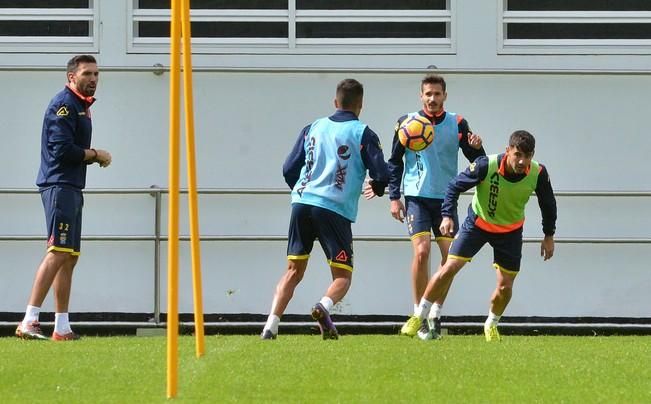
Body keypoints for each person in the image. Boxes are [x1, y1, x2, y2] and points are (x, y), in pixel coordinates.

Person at [261, 78, 389, 340]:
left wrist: (303, 192)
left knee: (293, 271)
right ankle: (323, 306)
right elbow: (381, 173)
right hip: (334, 209)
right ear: (360, 105)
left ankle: (270, 326)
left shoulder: (313, 127)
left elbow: (288, 169)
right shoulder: (362, 133)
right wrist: (377, 187)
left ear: (335, 102)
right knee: (342, 277)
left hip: (302, 203)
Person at [399, 130, 556, 341]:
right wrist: (447, 216)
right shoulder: (486, 165)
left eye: (527, 156)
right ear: (508, 150)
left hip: (510, 231)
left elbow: (548, 204)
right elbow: (454, 186)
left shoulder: (538, 173)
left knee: (505, 287)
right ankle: (419, 316)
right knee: (449, 269)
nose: (521, 161)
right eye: (517, 154)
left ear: (532, 155)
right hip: (478, 224)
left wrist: (548, 235)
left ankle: (491, 324)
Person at [15, 55, 112, 341]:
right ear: (71, 77)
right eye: (87, 74)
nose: (93, 79)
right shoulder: (65, 105)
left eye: (96, 74)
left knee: (69, 257)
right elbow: (61, 150)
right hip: (59, 186)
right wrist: (96, 155)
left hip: (71, 186)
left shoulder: (81, 105)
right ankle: (29, 320)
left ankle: (62, 326)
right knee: (58, 250)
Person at [387, 74, 485, 340]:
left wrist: (477, 148)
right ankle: (418, 314)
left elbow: (479, 163)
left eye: (437, 94)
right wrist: (394, 197)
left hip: (445, 200)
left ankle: (435, 313)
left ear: (445, 95)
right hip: (416, 197)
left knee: (450, 258)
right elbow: (394, 162)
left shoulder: (458, 123)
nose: (432, 99)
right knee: (422, 252)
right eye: (428, 94)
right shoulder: (406, 123)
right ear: (421, 95)